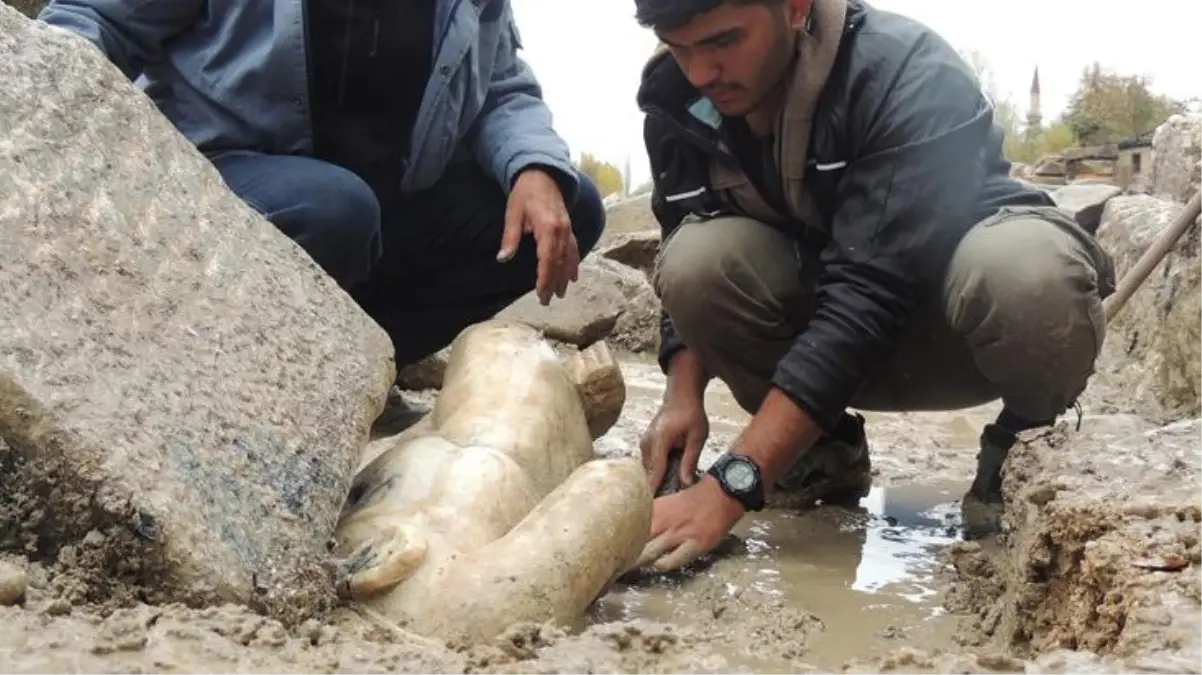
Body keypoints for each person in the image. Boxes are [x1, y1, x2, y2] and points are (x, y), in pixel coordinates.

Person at [632, 0, 1116, 572]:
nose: (699, 74)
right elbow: (678, 231)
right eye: (681, 47)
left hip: (956, 333)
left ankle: (1017, 456)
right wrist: (681, 397)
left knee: (1031, 273)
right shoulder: (676, 101)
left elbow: (868, 296)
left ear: (794, 8)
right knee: (693, 259)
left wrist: (732, 484)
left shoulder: (907, 73)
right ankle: (820, 454)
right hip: (831, 336)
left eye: (723, 42)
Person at [38, 0, 605, 367]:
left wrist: (533, 167)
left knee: (572, 206)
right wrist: (45, 120)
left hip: (376, 211)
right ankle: (217, 368)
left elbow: (502, 87)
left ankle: (360, 369)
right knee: (335, 209)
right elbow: (98, 17)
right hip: (226, 179)